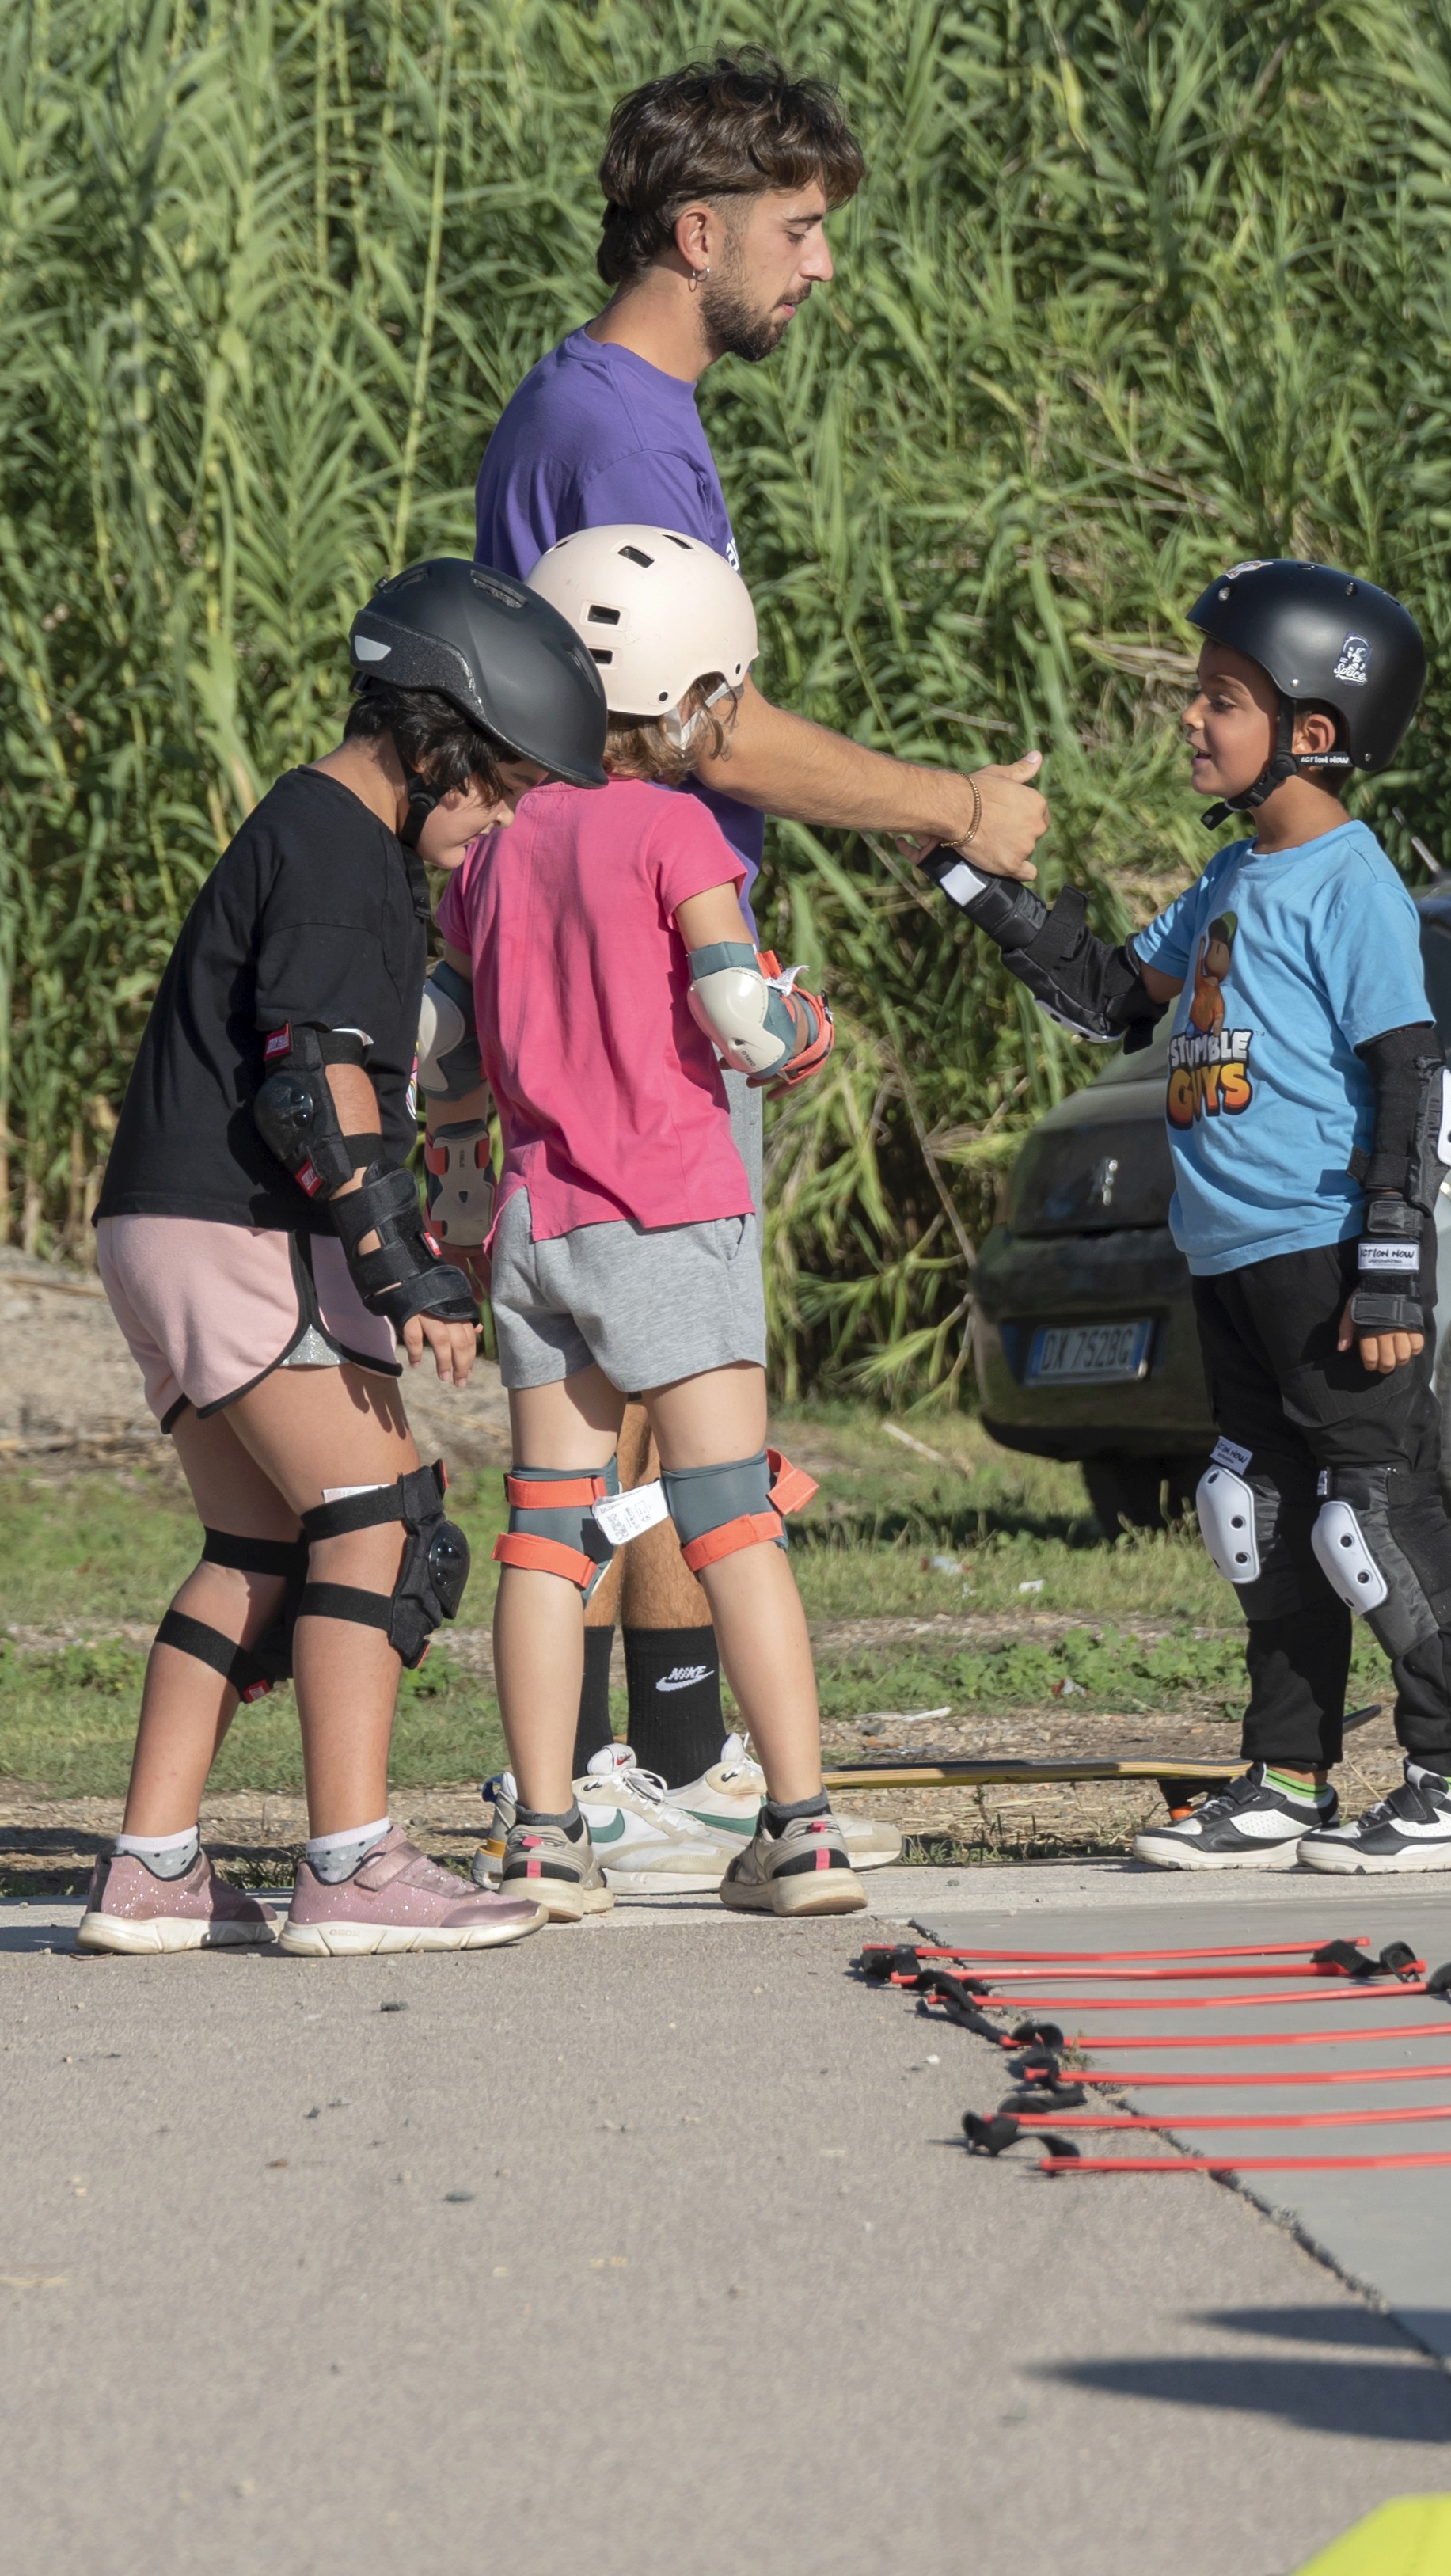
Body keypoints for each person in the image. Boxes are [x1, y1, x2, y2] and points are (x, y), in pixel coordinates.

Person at [469, 51, 1049, 1811]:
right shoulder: (624, 429)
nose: (821, 264)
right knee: (666, 1368)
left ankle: (645, 1758)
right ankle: (628, 1773)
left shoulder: (587, 405)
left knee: (635, 1384)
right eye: (797, 229)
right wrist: (956, 805)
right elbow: (705, 727)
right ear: (697, 231)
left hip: (607, 942)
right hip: (649, 958)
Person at [926, 559, 1451, 1875]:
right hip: (1232, 1253)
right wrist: (966, 877)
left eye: (1222, 699)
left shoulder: (1350, 882)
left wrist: (1392, 1266)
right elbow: (1109, 1000)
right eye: (1197, 694)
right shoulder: (1232, 877)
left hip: (1326, 1250)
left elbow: (1413, 1076)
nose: (1191, 717)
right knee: (1255, 1512)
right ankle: (1290, 1778)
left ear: (1315, 729)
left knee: (1372, 1518)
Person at [78, 559, 611, 1955]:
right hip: (248, 1229)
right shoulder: (339, 850)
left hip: (159, 1223)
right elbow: (312, 1082)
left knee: (257, 1545)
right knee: (386, 1524)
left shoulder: (306, 831)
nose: (499, 818)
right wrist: (403, 1266)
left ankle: (152, 1868)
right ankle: (354, 1868)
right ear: (434, 741)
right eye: (498, 786)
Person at [426, 527, 866, 1917]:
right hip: (670, 1217)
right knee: (732, 1517)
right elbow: (740, 1017)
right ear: (685, 699)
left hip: (537, 1224)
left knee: (548, 1537)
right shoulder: (679, 831)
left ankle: (547, 1838)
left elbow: (448, 1064)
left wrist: (454, 1211)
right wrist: (805, 1030)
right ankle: (800, 1831)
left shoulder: (489, 852)